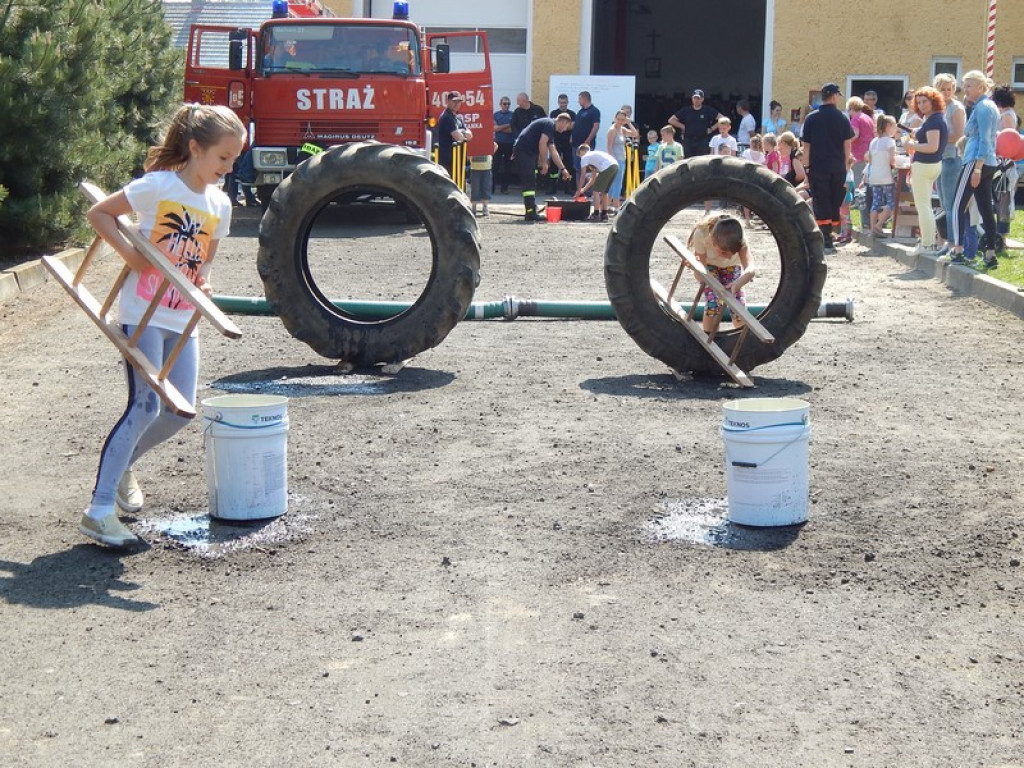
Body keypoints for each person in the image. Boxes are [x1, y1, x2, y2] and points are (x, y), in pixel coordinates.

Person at [81, 103, 246, 547]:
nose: (228, 168)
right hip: (142, 313)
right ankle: (98, 511)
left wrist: (205, 284)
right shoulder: (159, 186)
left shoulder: (220, 203)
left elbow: (205, 258)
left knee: (180, 410)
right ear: (195, 148)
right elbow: (99, 213)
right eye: (223, 158)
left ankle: (121, 467)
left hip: (181, 316)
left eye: (234, 160)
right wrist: (133, 257)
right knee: (145, 407)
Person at [948, 70, 1000, 268]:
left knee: (957, 206)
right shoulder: (988, 106)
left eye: (969, 85)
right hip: (987, 161)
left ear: (980, 87)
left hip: (976, 161)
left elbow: (985, 139)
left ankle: (958, 249)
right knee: (986, 208)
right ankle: (989, 254)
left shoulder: (983, 108)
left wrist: (977, 168)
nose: (965, 89)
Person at [800, 82, 855, 254]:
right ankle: (829, 234)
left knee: (820, 200)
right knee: (834, 200)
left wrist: (806, 168)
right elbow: (847, 145)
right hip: (837, 166)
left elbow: (806, 146)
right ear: (834, 96)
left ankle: (825, 238)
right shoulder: (842, 118)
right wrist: (846, 166)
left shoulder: (811, 118)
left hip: (817, 166)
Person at [687, 213, 755, 334]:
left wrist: (737, 284)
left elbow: (750, 268)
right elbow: (700, 269)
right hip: (708, 268)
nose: (728, 257)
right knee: (713, 304)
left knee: (738, 307)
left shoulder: (738, 235)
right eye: (724, 252)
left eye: (733, 252)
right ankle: (709, 339)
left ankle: (741, 341)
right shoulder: (701, 233)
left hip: (732, 267)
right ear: (713, 241)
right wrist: (708, 284)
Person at [903, 86, 948, 254]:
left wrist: (911, 145)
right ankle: (928, 242)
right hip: (931, 165)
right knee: (925, 206)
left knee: (923, 207)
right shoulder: (934, 119)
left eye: (925, 101)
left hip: (925, 166)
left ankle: (927, 244)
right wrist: (917, 134)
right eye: (919, 102)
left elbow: (932, 146)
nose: (921, 105)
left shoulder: (934, 120)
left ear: (933, 101)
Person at [512, 113, 573, 222]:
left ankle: (531, 209)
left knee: (531, 180)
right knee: (529, 181)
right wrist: (544, 163)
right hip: (524, 151)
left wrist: (563, 169)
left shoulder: (549, 127)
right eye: (566, 126)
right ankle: (530, 213)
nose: (565, 130)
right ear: (562, 121)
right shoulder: (549, 124)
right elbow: (542, 143)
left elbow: (553, 151)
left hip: (527, 152)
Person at [933, 73, 967, 256]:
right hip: (939, 158)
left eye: (950, 88)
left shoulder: (956, 108)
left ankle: (954, 242)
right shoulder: (938, 108)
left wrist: (936, 139)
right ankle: (948, 240)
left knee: (951, 203)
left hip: (952, 158)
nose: (946, 92)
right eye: (943, 89)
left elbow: (960, 135)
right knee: (944, 203)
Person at [847, 96, 876, 231]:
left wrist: (844, 140)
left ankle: (864, 221)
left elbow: (855, 134)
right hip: (869, 153)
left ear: (852, 108)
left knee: (860, 189)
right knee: (867, 187)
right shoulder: (868, 118)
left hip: (859, 154)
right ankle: (869, 219)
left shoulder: (856, 118)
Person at [867, 115, 898, 236]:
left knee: (876, 202)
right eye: (894, 126)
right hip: (886, 176)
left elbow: (870, 160)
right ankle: (879, 225)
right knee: (891, 202)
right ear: (888, 126)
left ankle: (872, 229)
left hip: (874, 175)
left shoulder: (873, 141)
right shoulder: (890, 142)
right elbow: (892, 160)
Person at [669, 88, 720, 159]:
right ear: (692, 99)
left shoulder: (707, 110)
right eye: (695, 98)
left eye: (698, 98)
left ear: (702, 99)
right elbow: (671, 120)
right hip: (688, 141)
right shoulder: (686, 110)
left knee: (702, 162)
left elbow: (723, 119)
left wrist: (712, 129)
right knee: (687, 162)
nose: (696, 100)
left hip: (702, 141)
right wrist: (682, 126)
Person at [575, 144, 619, 222]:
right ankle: (604, 214)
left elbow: (582, 176)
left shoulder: (585, 157)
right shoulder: (594, 157)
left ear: (582, 151)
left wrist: (578, 191)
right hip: (615, 166)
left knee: (595, 190)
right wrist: (583, 190)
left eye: (579, 155)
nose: (580, 158)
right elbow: (593, 179)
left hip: (607, 167)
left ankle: (596, 214)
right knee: (604, 191)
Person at [606, 110, 638, 213]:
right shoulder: (612, 130)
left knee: (614, 185)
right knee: (617, 185)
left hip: (621, 159)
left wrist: (629, 123)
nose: (620, 121)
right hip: (615, 160)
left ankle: (605, 208)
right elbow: (609, 147)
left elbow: (635, 134)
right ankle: (617, 208)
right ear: (615, 118)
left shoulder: (622, 129)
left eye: (622, 119)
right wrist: (612, 161)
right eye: (618, 119)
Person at [437, 92, 473, 179]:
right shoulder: (446, 117)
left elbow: (470, 135)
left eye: (459, 101)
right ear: (448, 101)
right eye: (454, 101)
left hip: (458, 159)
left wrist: (461, 132)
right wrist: (463, 133)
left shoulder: (457, 118)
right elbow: (459, 138)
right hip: (448, 160)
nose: (457, 104)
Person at [548, 93, 577, 194]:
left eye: (564, 103)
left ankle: (568, 188)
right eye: (561, 103)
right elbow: (554, 126)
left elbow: (573, 127)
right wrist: (567, 126)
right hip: (556, 141)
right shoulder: (553, 113)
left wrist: (562, 127)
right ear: (558, 102)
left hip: (568, 142)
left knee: (569, 164)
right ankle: (552, 187)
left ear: (567, 103)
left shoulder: (572, 114)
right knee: (554, 164)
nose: (562, 105)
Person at [571, 91, 601, 187]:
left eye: (579, 99)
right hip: (576, 144)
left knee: (587, 167)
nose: (578, 101)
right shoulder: (580, 111)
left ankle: (587, 190)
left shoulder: (594, 111)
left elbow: (596, 126)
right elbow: (576, 125)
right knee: (577, 167)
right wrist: (572, 136)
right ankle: (579, 189)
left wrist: (588, 140)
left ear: (584, 98)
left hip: (586, 145)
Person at [493, 96, 515, 193]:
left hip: (509, 144)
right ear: (500, 104)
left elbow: (512, 130)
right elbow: (494, 128)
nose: (506, 106)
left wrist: (500, 127)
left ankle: (504, 188)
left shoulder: (513, 115)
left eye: (508, 104)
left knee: (508, 167)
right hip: (498, 143)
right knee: (495, 166)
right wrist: (507, 125)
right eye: (504, 104)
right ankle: (491, 188)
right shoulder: (496, 115)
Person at [470, 143, 494, 217]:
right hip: (475, 168)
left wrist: (490, 155)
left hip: (486, 168)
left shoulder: (487, 140)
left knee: (485, 188)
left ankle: (485, 207)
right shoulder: (472, 140)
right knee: (475, 188)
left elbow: (495, 146)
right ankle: (474, 207)